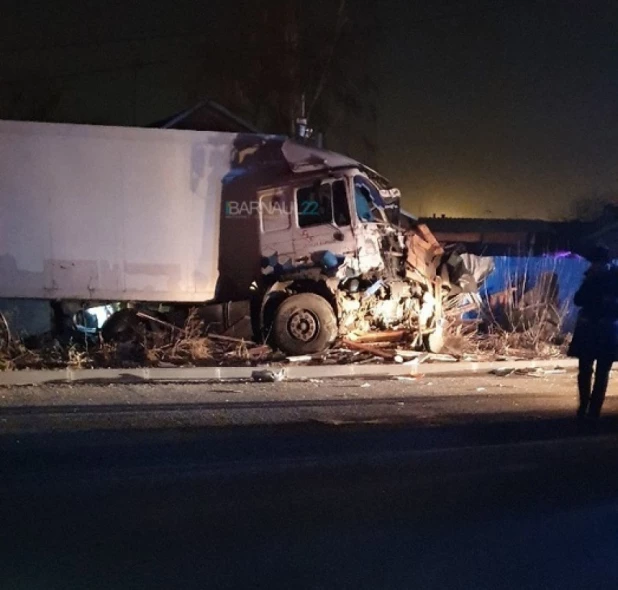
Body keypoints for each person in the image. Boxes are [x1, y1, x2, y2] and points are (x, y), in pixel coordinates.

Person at [568, 245, 618, 420]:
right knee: (587, 370)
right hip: (595, 329)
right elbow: (578, 299)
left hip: (600, 329)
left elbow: (581, 300)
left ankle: (593, 409)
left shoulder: (612, 280)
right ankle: (585, 407)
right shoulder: (592, 278)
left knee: (600, 371)